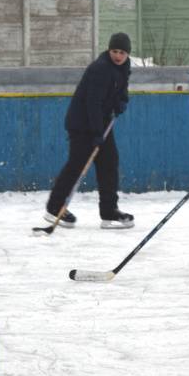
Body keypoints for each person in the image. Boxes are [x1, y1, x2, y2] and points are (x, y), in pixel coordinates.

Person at [43, 33, 134, 230]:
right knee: (76, 165)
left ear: (127, 54)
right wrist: (96, 132)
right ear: (109, 50)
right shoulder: (100, 69)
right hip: (83, 124)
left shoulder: (124, 68)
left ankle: (109, 212)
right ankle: (54, 208)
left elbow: (121, 91)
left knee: (109, 163)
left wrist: (121, 102)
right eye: (114, 51)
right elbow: (92, 102)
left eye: (122, 52)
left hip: (101, 123)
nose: (118, 56)